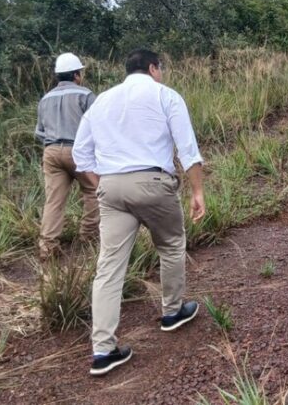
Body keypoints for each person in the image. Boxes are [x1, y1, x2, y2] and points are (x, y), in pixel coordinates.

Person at [72, 48, 206, 377]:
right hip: (153, 182)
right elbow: (187, 148)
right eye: (160, 69)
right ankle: (172, 312)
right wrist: (197, 191)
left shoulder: (101, 101)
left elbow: (81, 154)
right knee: (171, 244)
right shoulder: (165, 96)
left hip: (111, 187)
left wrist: (103, 184)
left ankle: (103, 350)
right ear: (152, 68)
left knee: (108, 268)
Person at [35, 52, 99, 260]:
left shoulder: (45, 99)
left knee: (54, 201)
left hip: (51, 152)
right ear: (76, 75)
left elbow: (39, 132)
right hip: (78, 152)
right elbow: (98, 126)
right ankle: (88, 237)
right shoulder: (86, 95)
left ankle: (48, 247)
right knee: (93, 191)